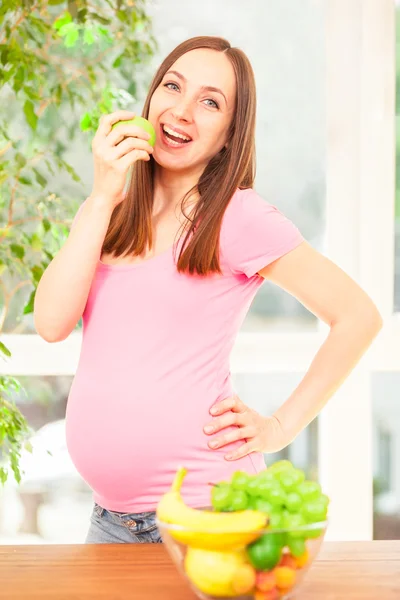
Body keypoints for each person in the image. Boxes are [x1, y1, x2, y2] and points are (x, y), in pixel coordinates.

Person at [34, 36, 383, 544]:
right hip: (109, 520)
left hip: (205, 515)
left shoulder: (238, 218)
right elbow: (50, 323)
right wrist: (102, 195)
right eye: (172, 87)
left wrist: (280, 427)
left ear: (228, 136)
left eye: (210, 102)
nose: (182, 110)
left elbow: (358, 316)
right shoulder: (110, 212)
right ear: (151, 98)